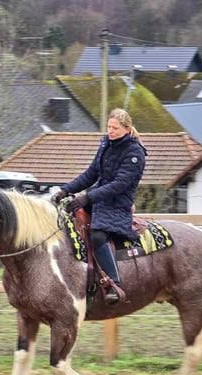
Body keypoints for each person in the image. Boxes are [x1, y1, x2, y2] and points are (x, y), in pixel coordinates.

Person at [53, 108, 147, 305]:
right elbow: (91, 174)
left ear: (127, 129)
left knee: (98, 236)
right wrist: (66, 190)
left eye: (115, 128)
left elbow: (120, 185)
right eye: (108, 127)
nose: (110, 131)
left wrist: (88, 198)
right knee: (67, 220)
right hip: (99, 199)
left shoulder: (135, 153)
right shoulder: (105, 143)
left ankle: (114, 283)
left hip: (117, 204)